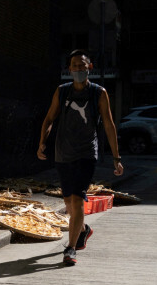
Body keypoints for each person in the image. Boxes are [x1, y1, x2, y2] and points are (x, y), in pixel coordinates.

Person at [37, 49, 123, 266]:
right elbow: (49, 119)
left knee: (77, 200)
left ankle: (70, 248)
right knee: (68, 202)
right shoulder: (62, 91)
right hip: (63, 153)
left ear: (90, 67)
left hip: (86, 154)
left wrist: (116, 157)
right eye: (74, 66)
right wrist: (42, 143)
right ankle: (83, 229)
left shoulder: (99, 93)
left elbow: (109, 126)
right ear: (69, 69)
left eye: (82, 65)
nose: (78, 69)